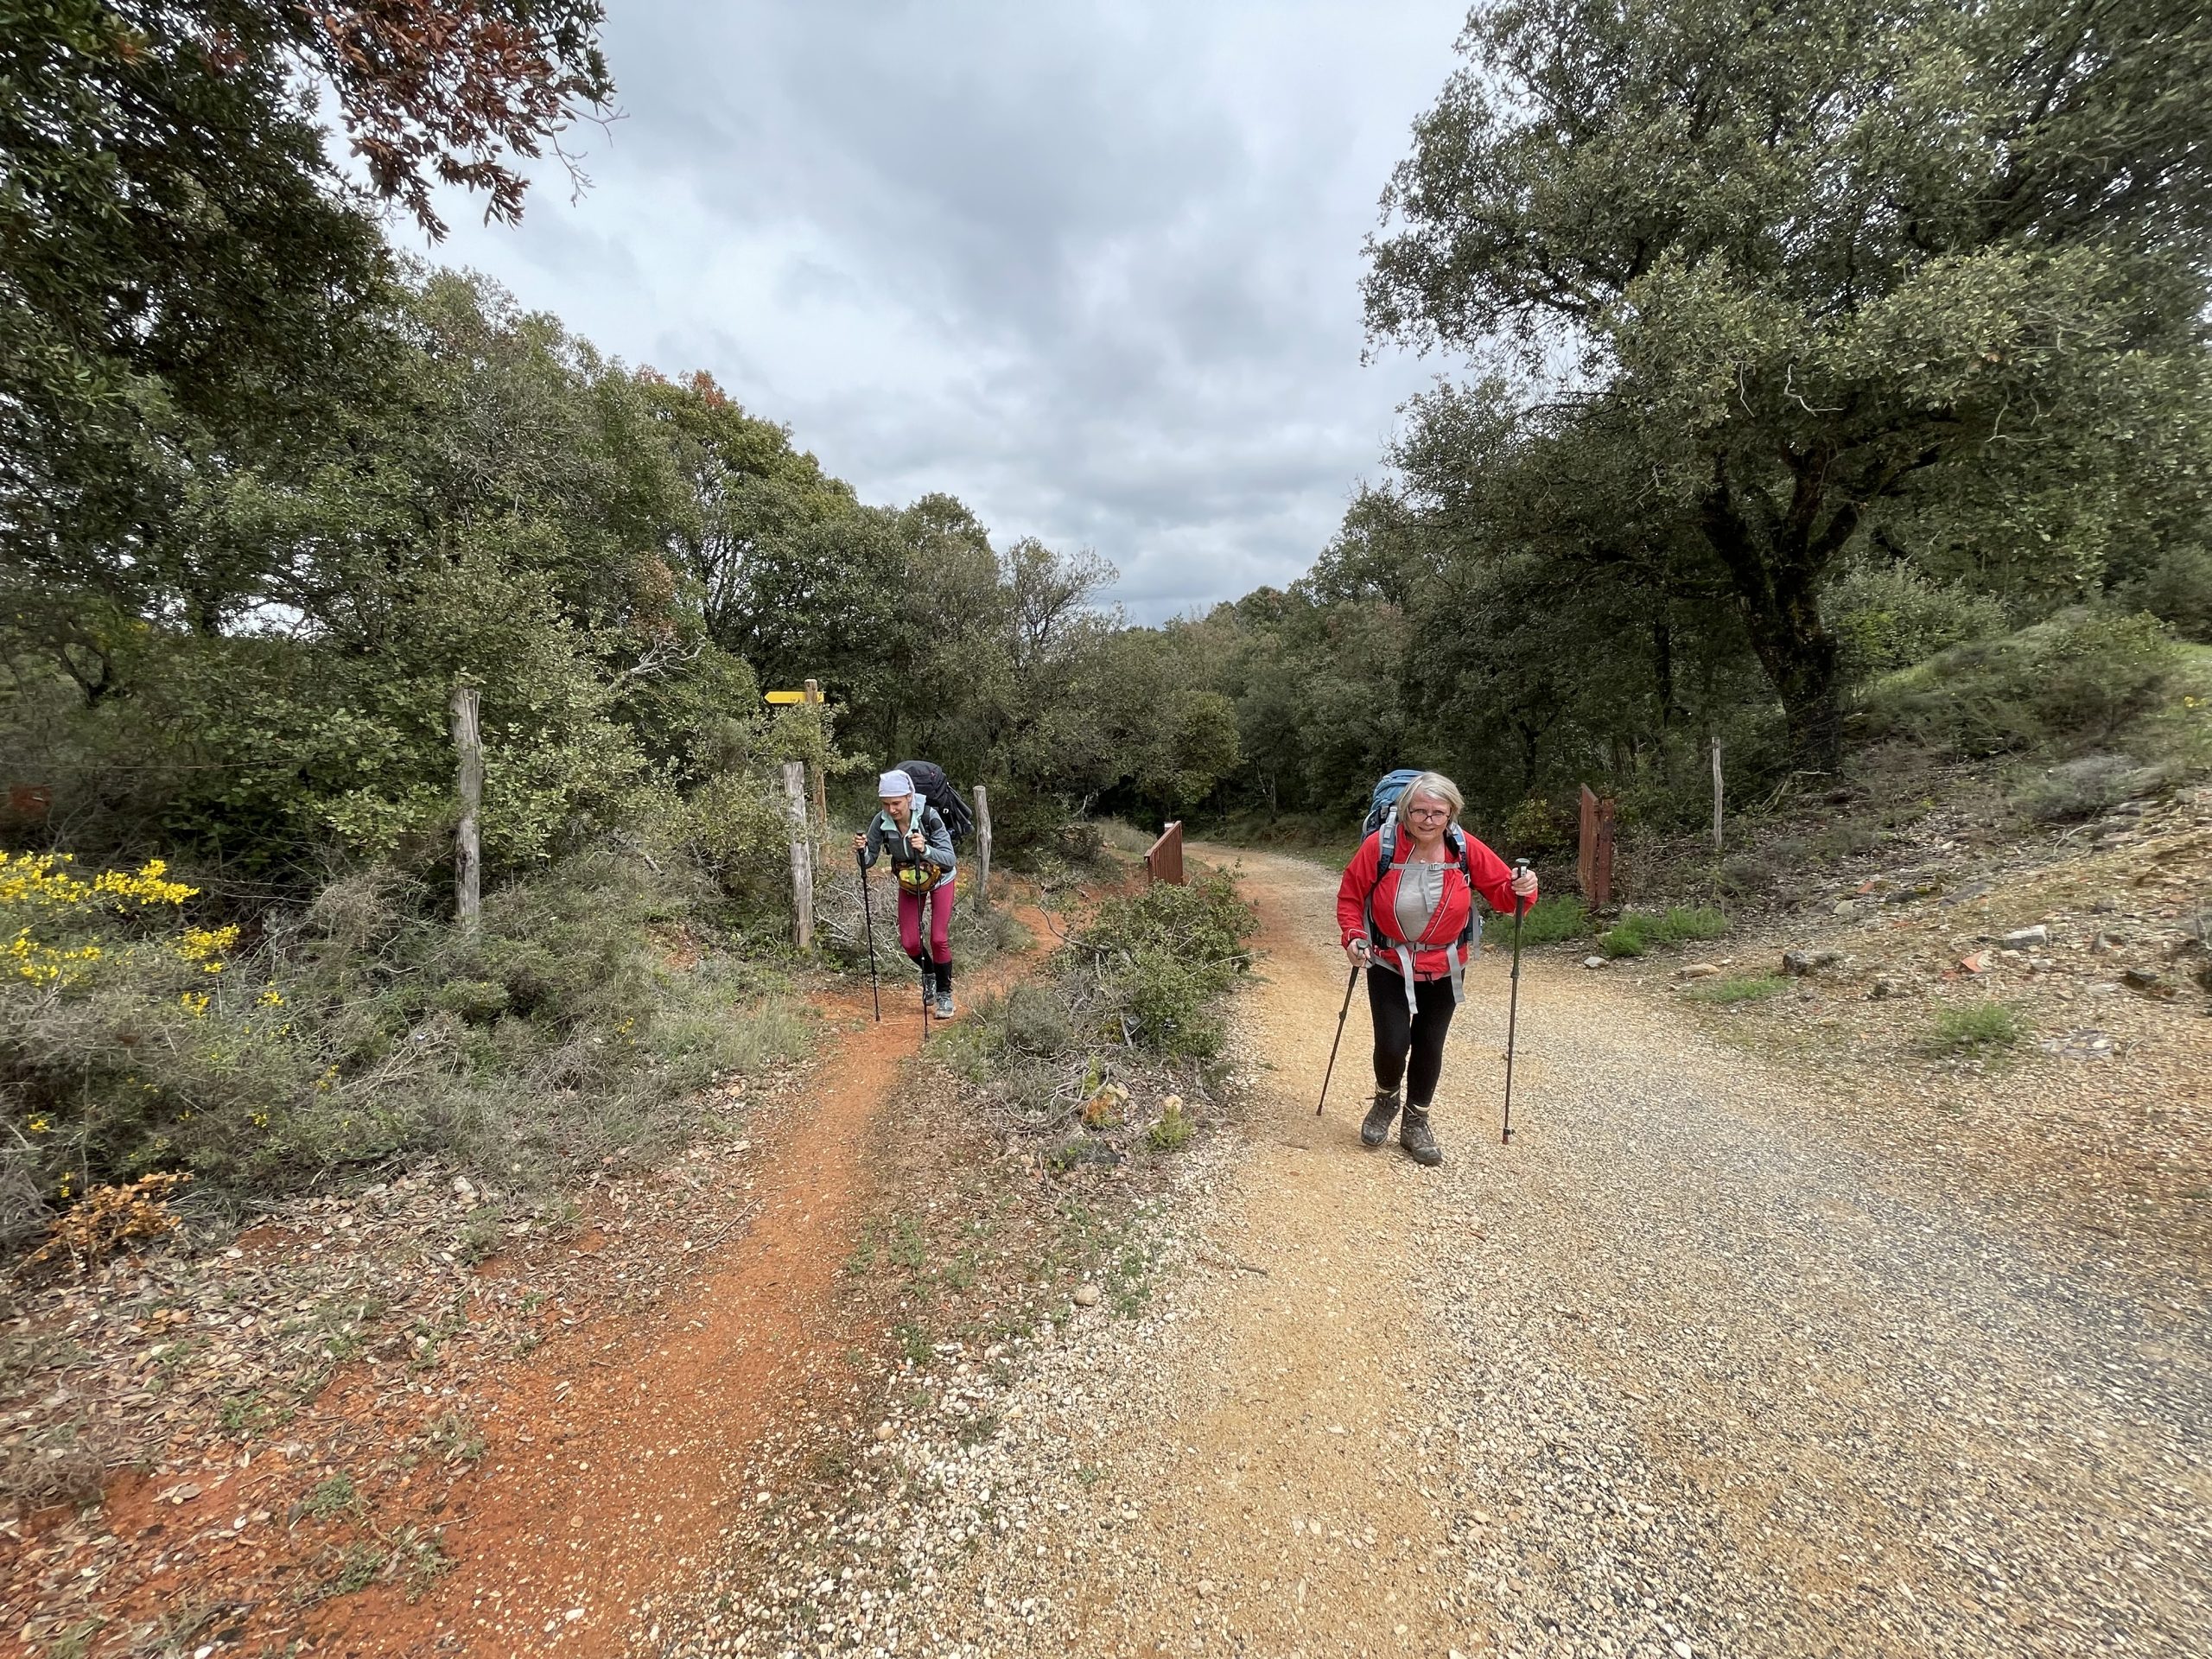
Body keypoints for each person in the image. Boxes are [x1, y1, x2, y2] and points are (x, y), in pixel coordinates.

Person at [1335, 772, 1537, 1166]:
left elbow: (1503, 895)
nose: (1428, 820)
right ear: (1404, 810)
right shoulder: (1380, 847)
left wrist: (1523, 887)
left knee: (1430, 1043)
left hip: (1446, 965)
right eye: (1419, 811)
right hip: (1388, 960)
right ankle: (1386, 1100)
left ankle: (1416, 1121)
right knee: (1393, 1043)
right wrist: (1353, 936)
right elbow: (1350, 895)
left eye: (1438, 813)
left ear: (1451, 815)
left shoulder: (1464, 849)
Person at [855, 768, 958, 1018]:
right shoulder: (880, 822)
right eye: (886, 803)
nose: (891, 809)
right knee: (910, 942)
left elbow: (950, 858)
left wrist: (925, 850)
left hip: (941, 878)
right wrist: (862, 851)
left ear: (909, 797)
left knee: (938, 938)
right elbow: (869, 861)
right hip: (910, 883)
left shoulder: (928, 816)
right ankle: (929, 973)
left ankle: (944, 996)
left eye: (896, 803)